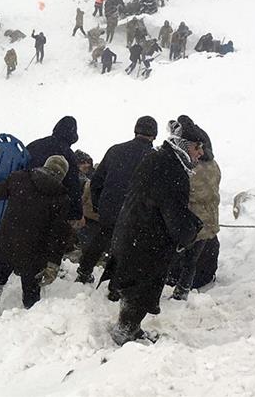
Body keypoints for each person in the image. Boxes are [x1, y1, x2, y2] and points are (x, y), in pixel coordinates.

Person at [100, 120, 205, 346]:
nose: (200, 153)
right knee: (140, 289)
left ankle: (130, 328)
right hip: (146, 241)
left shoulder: (158, 158)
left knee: (133, 287)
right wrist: (190, 230)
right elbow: (173, 211)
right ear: (184, 145)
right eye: (198, 147)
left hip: (134, 233)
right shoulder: (171, 168)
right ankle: (126, 331)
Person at [0, 156, 73, 324]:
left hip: (5, 244)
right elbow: (58, 235)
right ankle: (29, 326)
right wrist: (53, 264)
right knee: (31, 293)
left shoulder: (19, 178)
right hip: (33, 254)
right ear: (62, 175)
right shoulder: (61, 198)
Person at [75, 116, 157, 284]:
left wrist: (99, 205)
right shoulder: (154, 157)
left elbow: (96, 181)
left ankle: (84, 271)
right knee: (129, 248)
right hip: (136, 212)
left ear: (135, 131)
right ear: (154, 135)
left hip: (110, 208)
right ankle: (117, 284)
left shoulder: (115, 150)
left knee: (102, 237)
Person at [169, 117, 221, 300]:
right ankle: (196, 282)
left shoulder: (188, 168)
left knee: (186, 260)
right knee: (200, 257)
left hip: (191, 227)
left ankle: (181, 289)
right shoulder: (213, 166)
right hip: (210, 226)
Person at [26, 116, 83, 225]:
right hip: (46, 210)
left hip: (21, 201)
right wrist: (75, 212)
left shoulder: (34, 145)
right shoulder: (68, 155)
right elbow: (73, 185)